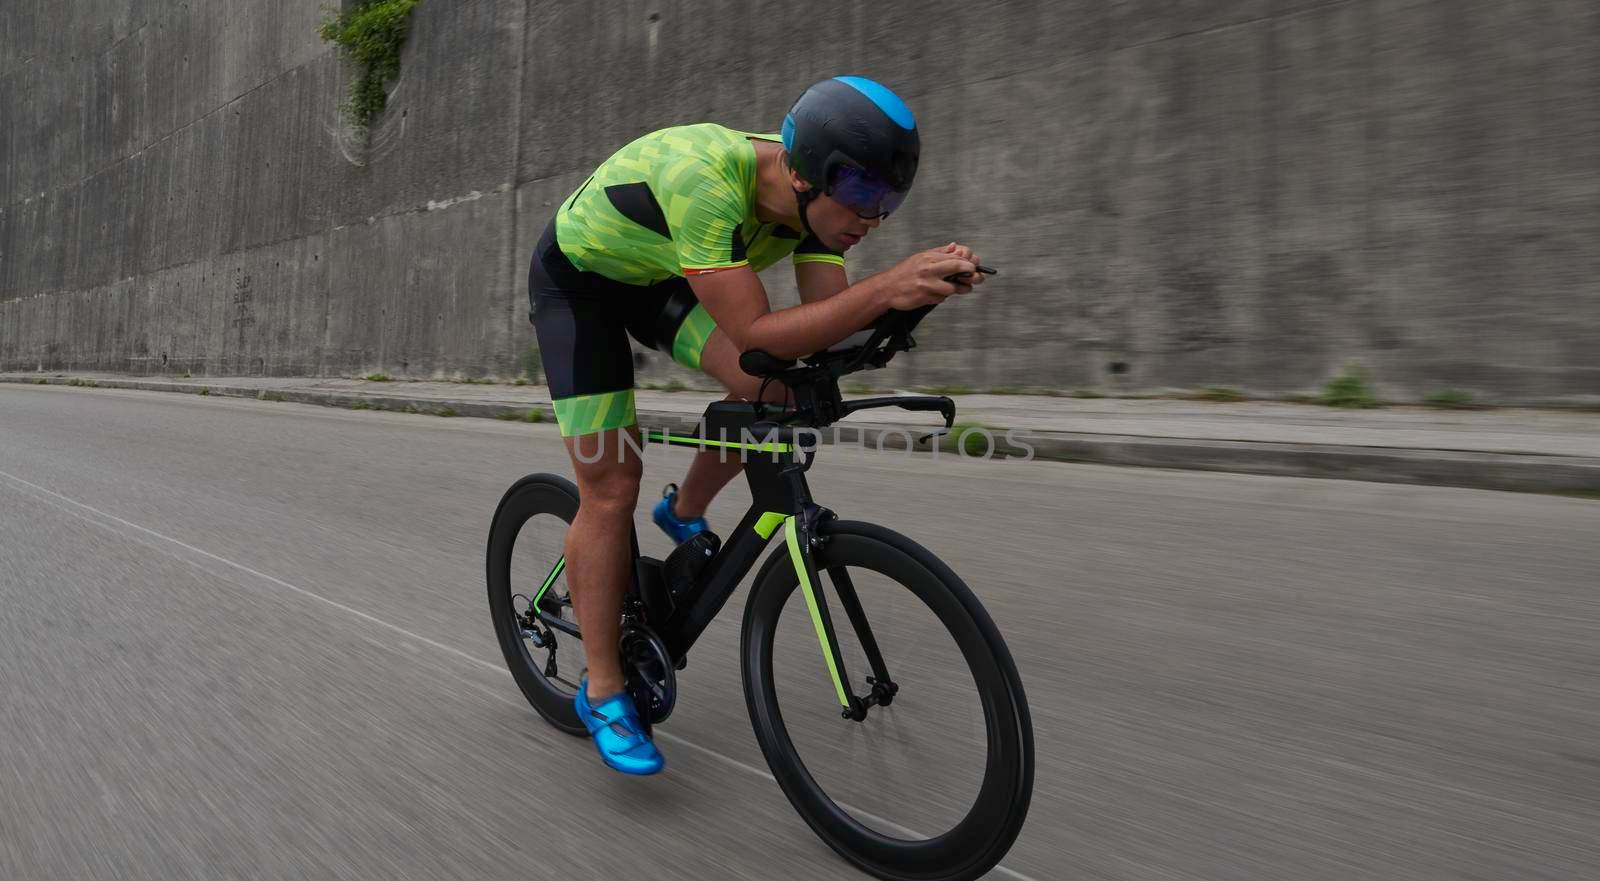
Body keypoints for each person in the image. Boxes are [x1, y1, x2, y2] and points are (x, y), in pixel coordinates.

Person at [527, 75, 985, 775]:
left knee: (780, 390)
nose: (875, 219)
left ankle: (683, 511)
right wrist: (885, 285)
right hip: (581, 286)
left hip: (660, 279)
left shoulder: (819, 210)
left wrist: (910, 301)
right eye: (865, 196)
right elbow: (756, 333)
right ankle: (603, 688)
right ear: (807, 177)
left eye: (889, 201)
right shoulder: (706, 181)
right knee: (611, 483)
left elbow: (822, 336)